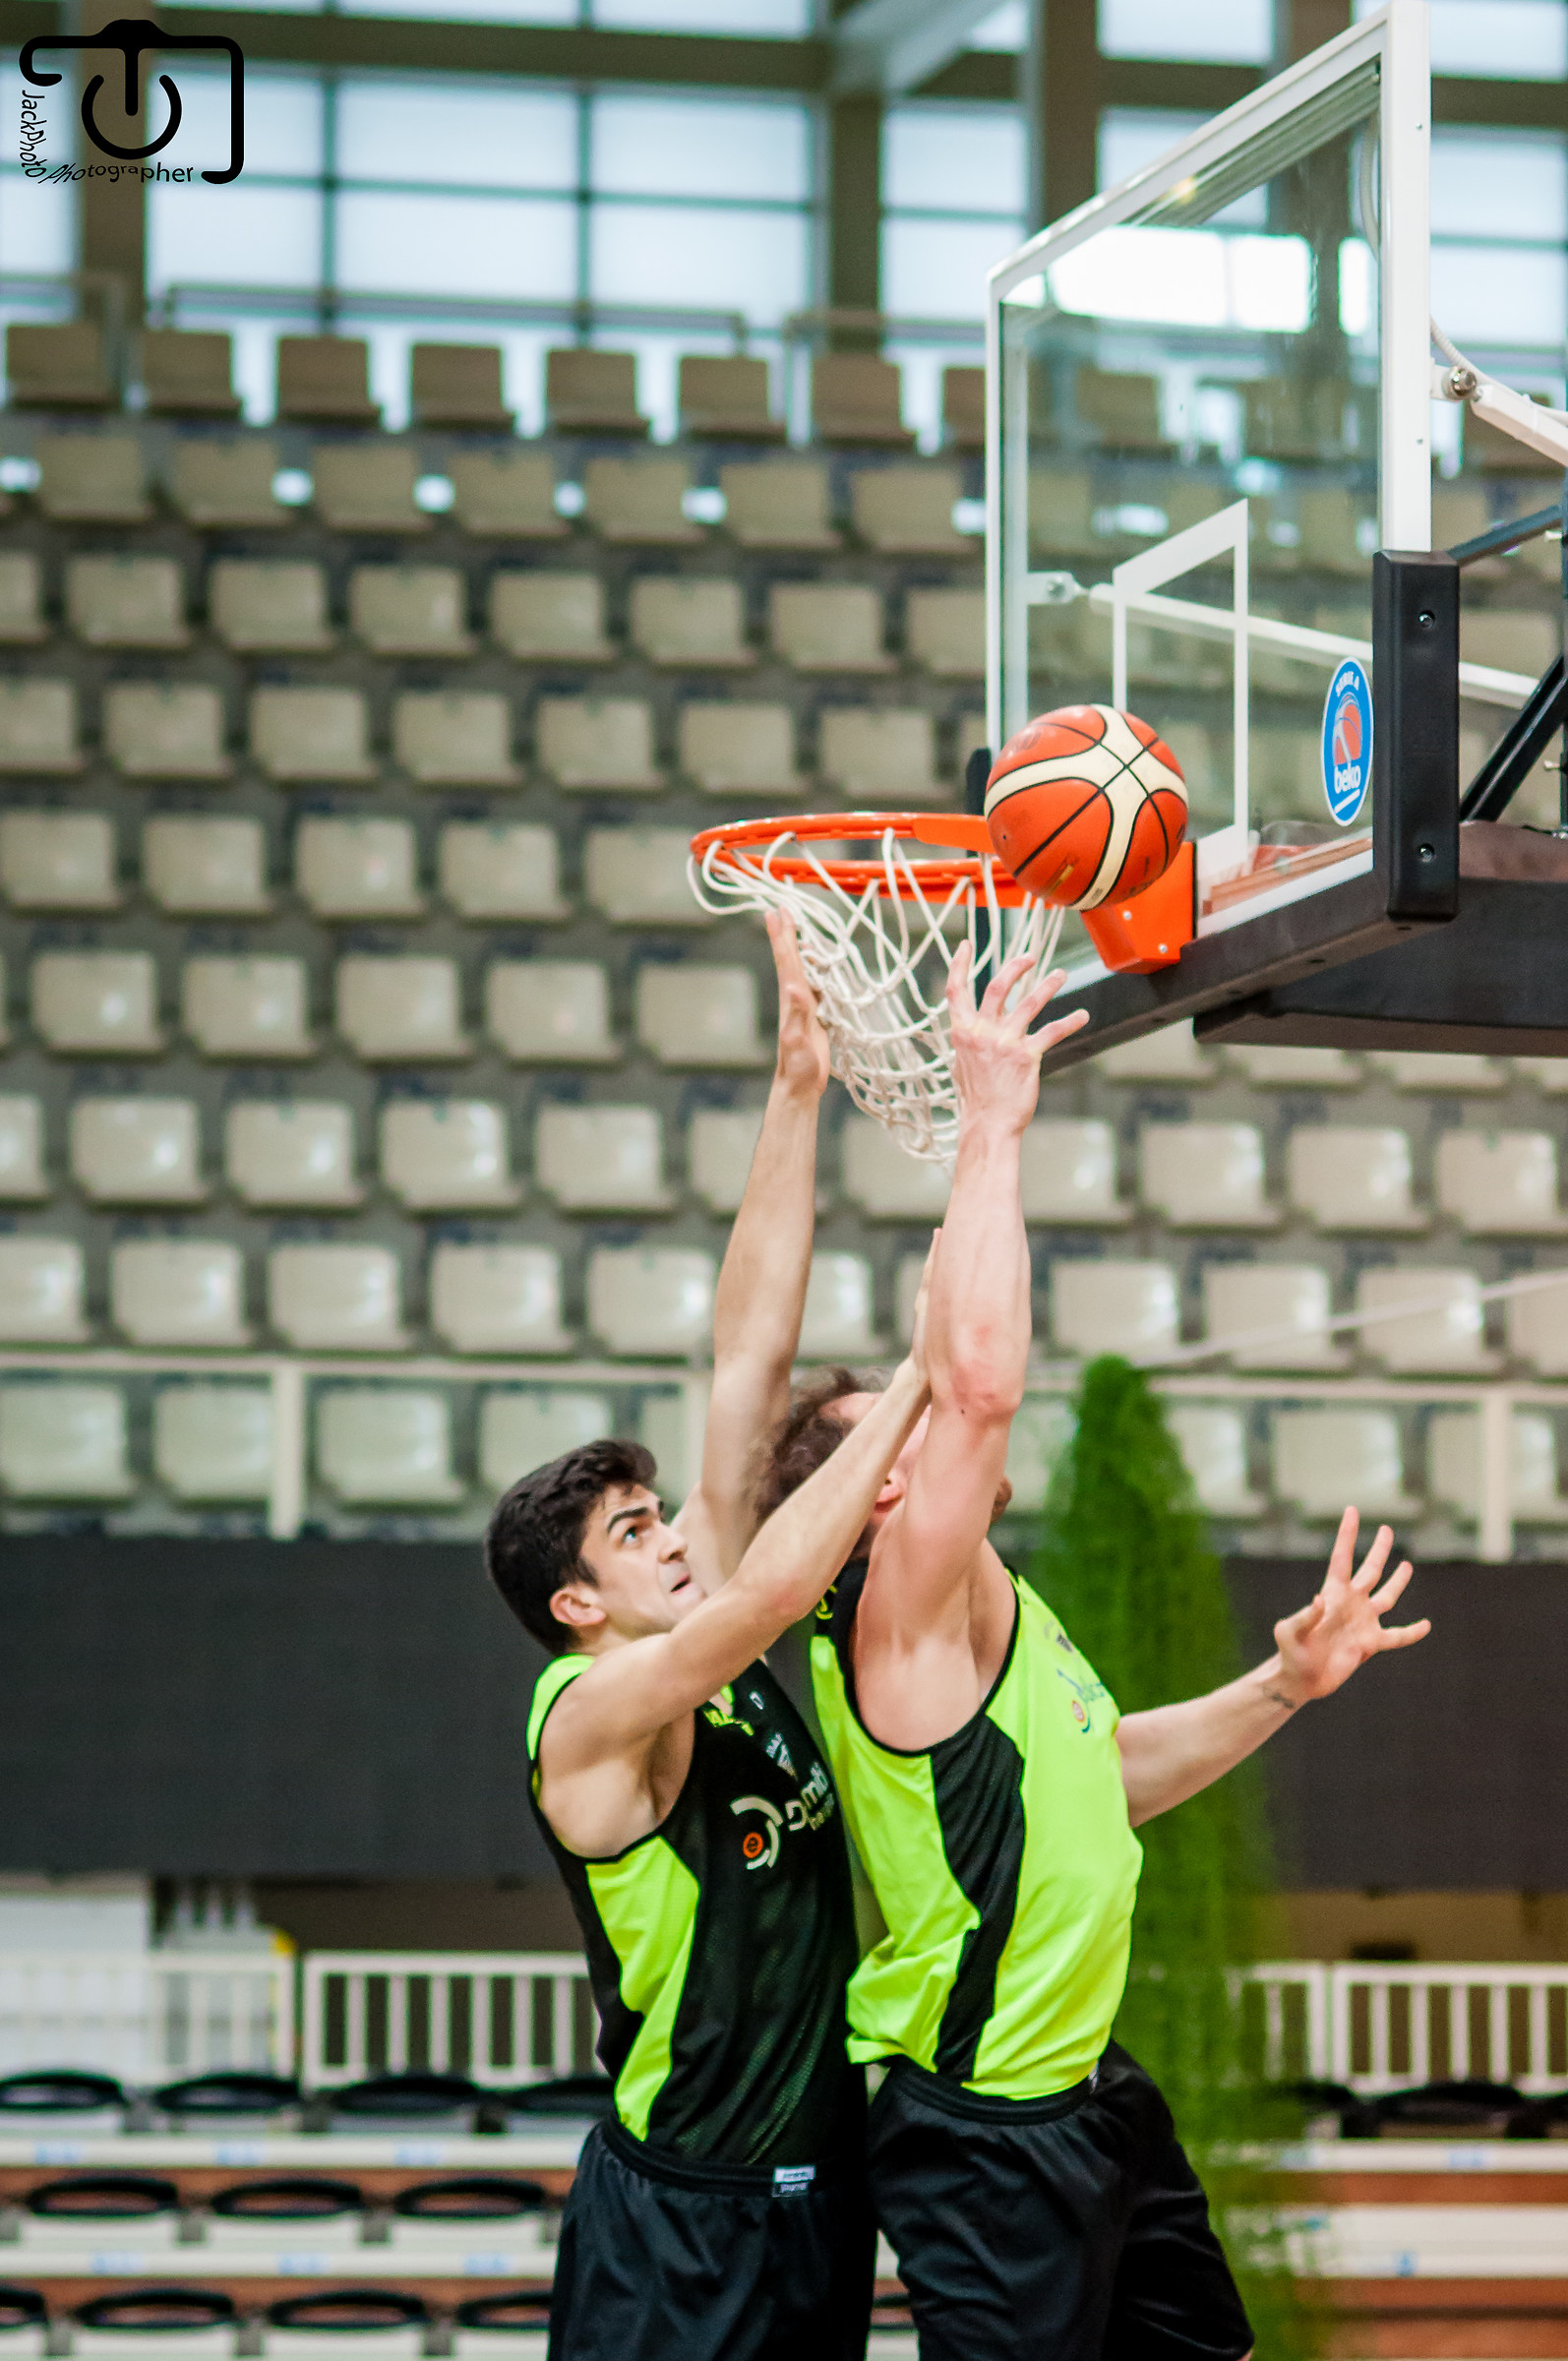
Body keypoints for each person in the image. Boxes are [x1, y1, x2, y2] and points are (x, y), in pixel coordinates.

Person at [755, 946, 1432, 2361]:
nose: (932, 1423)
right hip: (985, 2124)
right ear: (876, 1496)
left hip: (1083, 2090)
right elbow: (983, 1376)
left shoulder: (986, 1613)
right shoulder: (898, 1608)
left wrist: (1281, 1684)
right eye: (896, 1424)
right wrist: (992, 1127)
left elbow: (1095, 1781)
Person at [484, 912, 929, 2361]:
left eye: (659, 1512)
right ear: (574, 1608)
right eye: (631, 1534)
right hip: (679, 2217)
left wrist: (794, 1090)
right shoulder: (588, 1713)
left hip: (811, 2201)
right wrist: (930, 1382)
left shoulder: (705, 1639)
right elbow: (760, 1600)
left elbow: (746, 1357)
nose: (671, 1533)